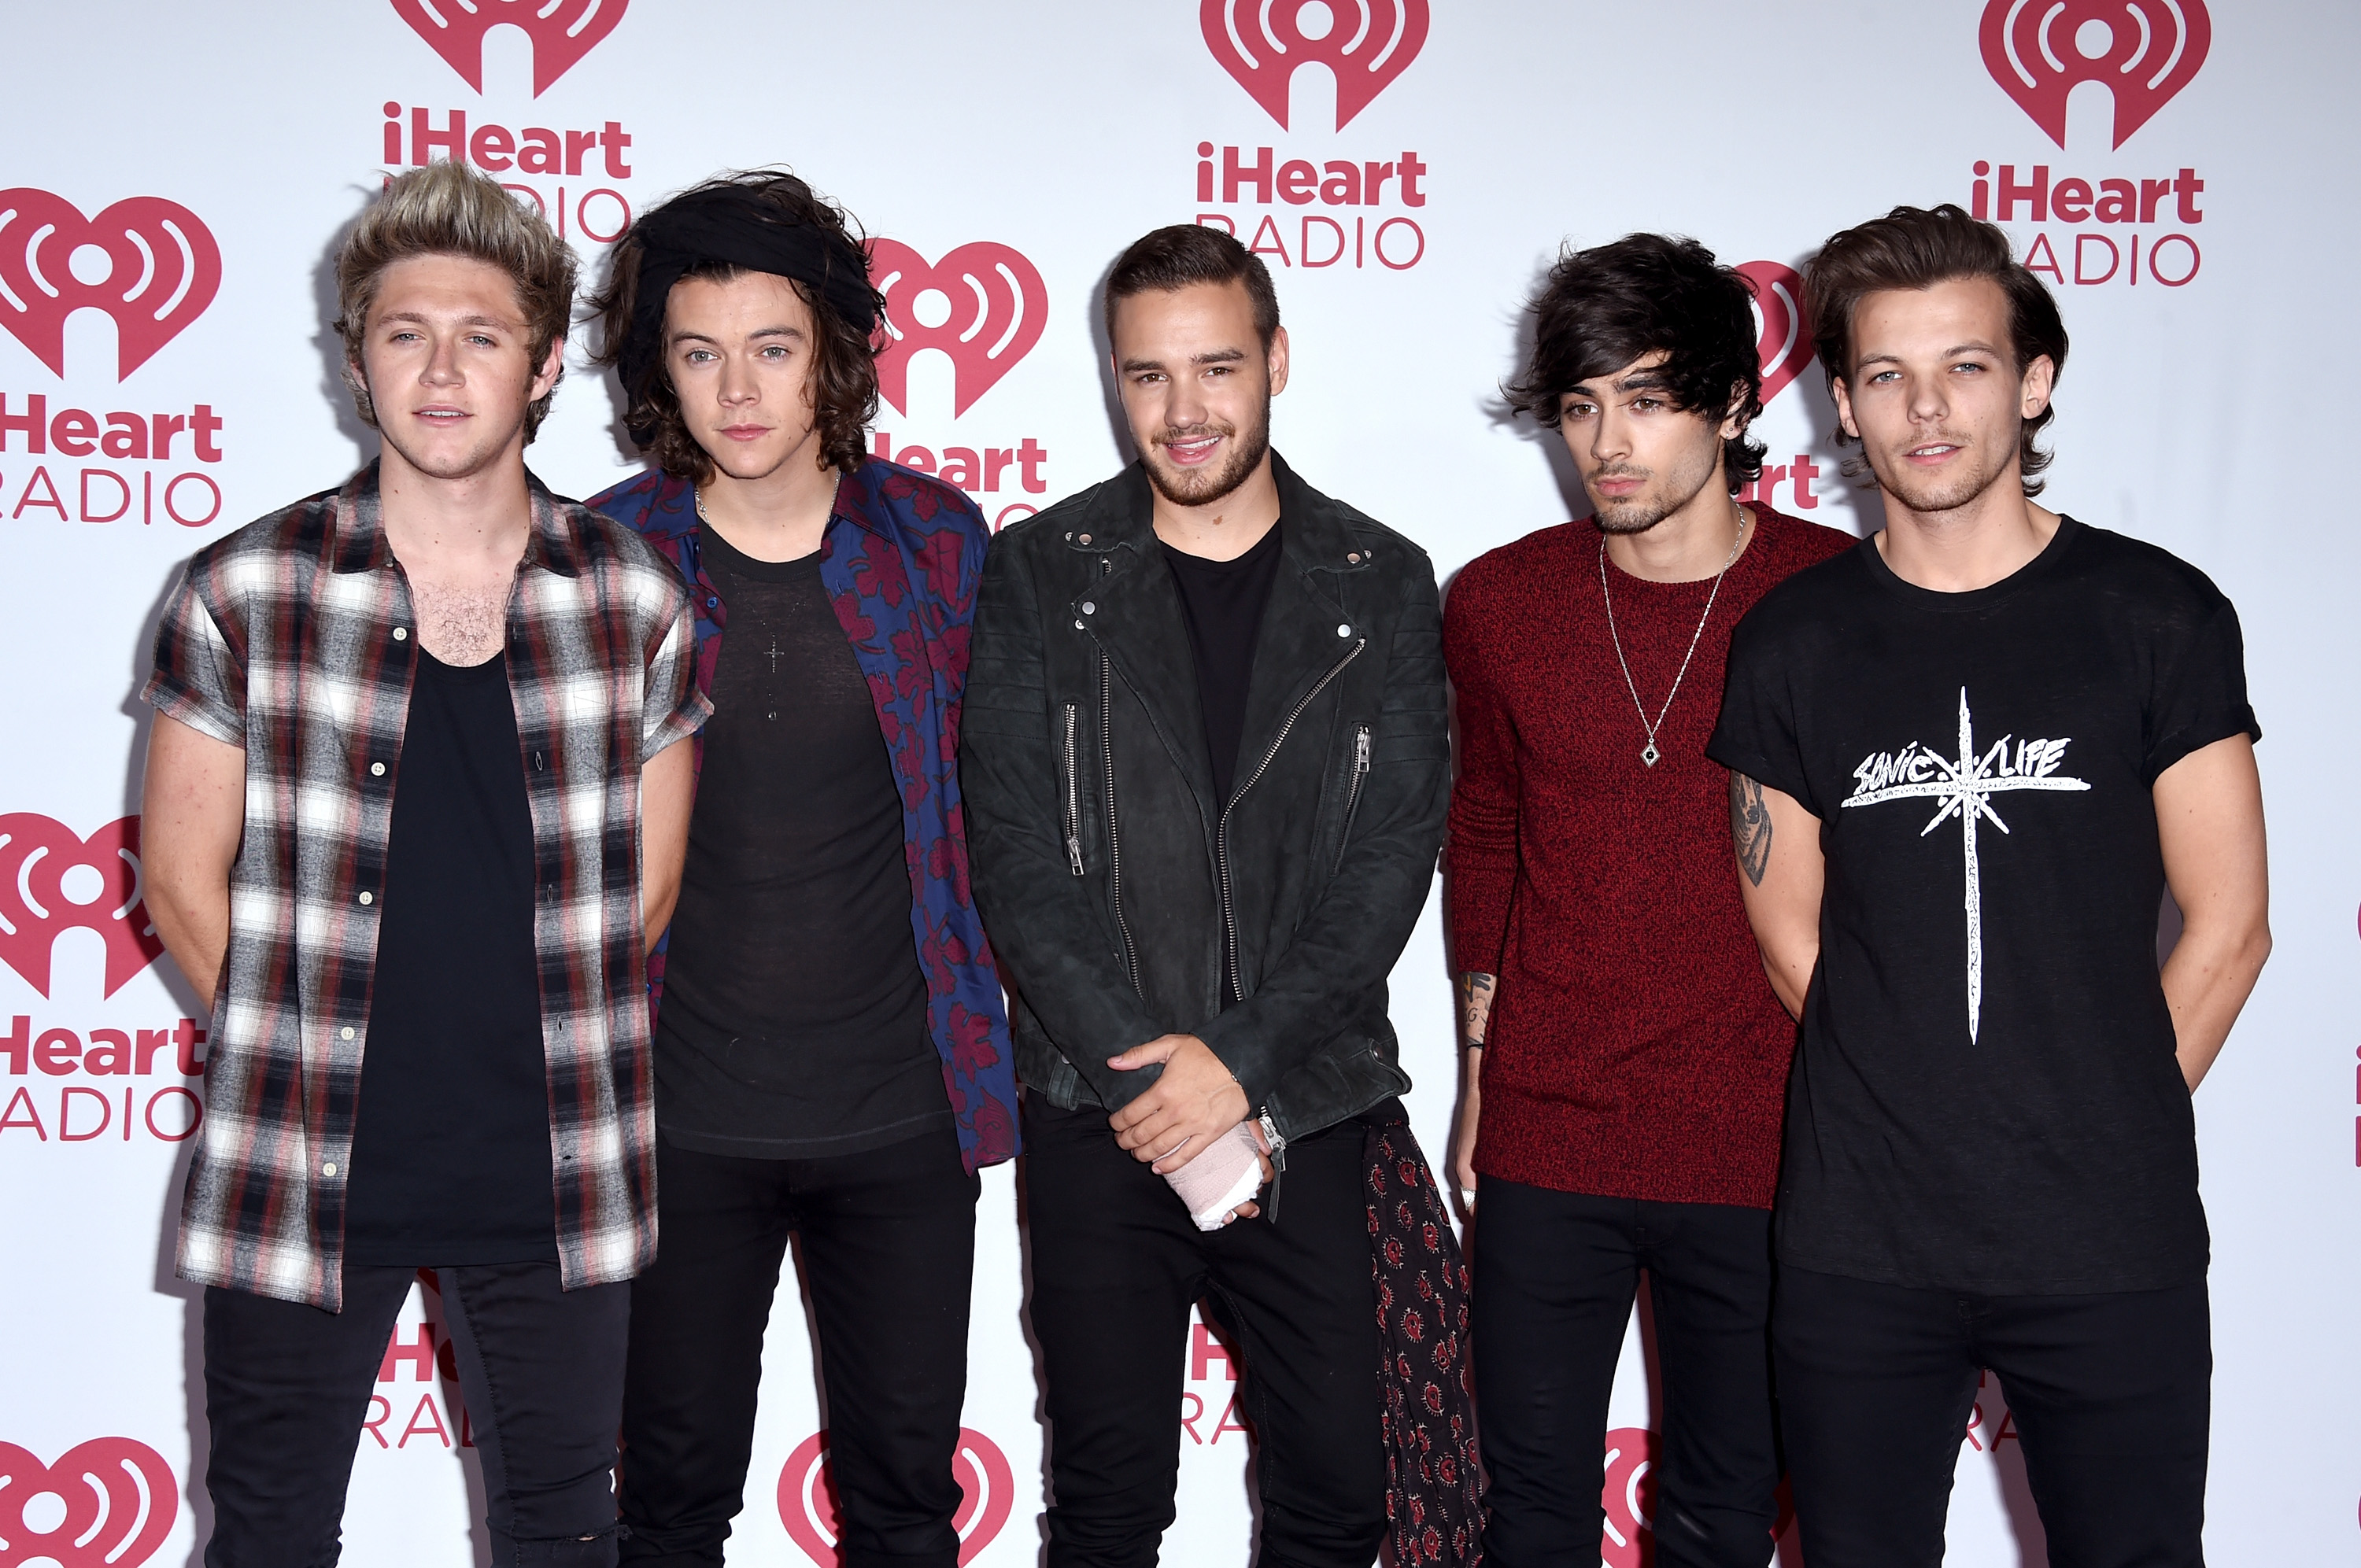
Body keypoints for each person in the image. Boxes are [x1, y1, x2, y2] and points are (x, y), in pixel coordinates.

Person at [138, 159, 708, 1566]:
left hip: (560, 1174)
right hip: (304, 1159)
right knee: (267, 1537)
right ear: (356, 363)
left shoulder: (633, 595)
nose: (442, 370)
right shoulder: (244, 590)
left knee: (567, 1538)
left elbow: (644, 895)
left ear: (546, 363)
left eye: (483, 335)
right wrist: (304, 1054)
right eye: (406, 334)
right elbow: (179, 887)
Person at [1709, 204, 2270, 1568]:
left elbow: (2232, 923)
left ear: (2034, 381)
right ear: (1843, 403)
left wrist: (2099, 1119)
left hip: (2108, 1239)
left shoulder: (2158, 615)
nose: (1926, 409)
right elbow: (1791, 939)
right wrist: (1931, 1128)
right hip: (1859, 1243)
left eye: (1965, 365)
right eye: (1886, 375)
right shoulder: (1793, 639)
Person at [962, 224, 1467, 1568]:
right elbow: (1015, 854)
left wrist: (1234, 1067)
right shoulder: (1041, 573)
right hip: (1100, 1108)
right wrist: (1156, 1086)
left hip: (1311, 1098)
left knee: (1339, 1496)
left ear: (1278, 363)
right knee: (1109, 1508)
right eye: (1148, 376)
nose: (1185, 412)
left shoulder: (1383, 580)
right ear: (1113, 382)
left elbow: (1388, 864)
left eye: (1217, 368)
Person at [581, 169, 1018, 1568]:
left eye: (772, 348)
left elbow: (1009, 812)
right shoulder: (605, 552)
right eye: (698, 353)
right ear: (661, 368)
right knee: (667, 1502)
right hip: (671, 1115)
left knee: (904, 1507)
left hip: (900, 1111)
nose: (738, 390)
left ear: (832, 351)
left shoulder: (937, 543)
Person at [1445, 234, 1853, 1566]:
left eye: (1647, 396)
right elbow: (1489, 838)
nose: (1606, 442)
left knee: (1726, 1515)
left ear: (1737, 403)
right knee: (1531, 1514)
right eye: (1578, 405)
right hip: (1550, 1132)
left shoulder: (1831, 601)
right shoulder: (1502, 603)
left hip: (1763, 1130)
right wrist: (1479, 1077)